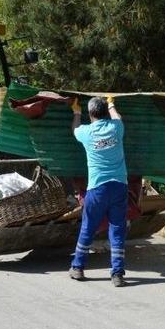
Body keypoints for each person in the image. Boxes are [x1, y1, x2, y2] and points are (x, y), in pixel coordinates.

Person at [68, 95, 129, 287]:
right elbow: (117, 117)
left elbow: (75, 129)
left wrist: (76, 113)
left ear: (90, 114)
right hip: (119, 187)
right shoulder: (116, 128)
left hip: (97, 189)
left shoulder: (86, 133)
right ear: (104, 112)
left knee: (88, 228)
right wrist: (111, 103)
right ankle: (117, 274)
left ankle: (77, 268)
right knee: (117, 231)